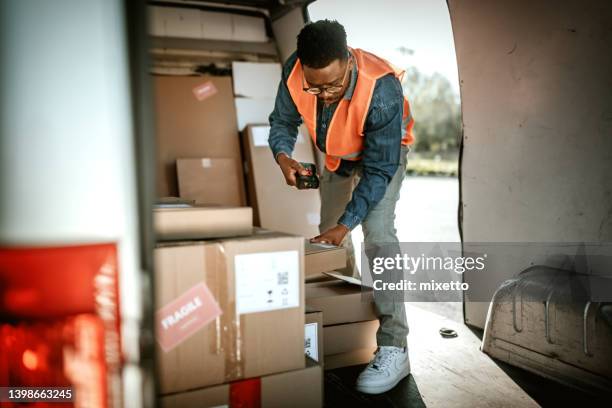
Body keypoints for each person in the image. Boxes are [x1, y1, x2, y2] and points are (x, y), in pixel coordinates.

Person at [268, 19, 414, 394]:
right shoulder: (295, 70)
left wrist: (349, 222)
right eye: (314, 86)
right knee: (329, 235)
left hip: (384, 157)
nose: (324, 95)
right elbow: (282, 121)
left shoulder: (381, 88)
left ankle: (395, 345)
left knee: (377, 234)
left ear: (348, 61)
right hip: (339, 156)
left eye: (332, 85)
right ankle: (350, 324)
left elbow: (379, 172)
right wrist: (284, 157)